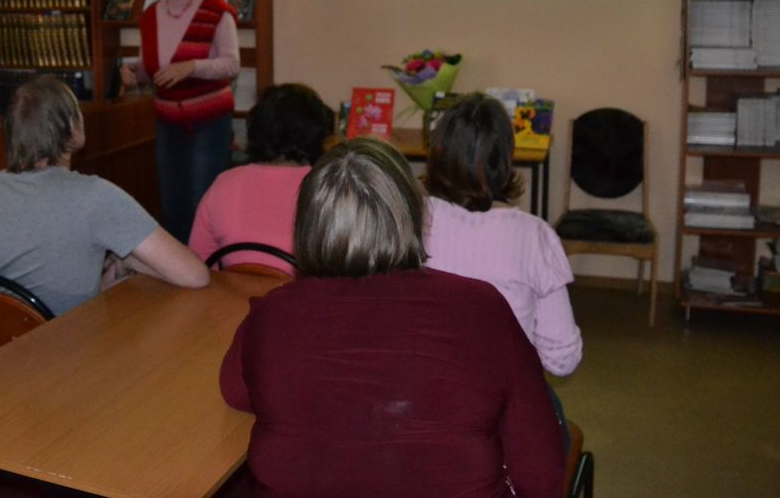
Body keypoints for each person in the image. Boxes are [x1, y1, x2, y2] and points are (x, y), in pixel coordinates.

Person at [220, 138, 564, 497]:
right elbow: (541, 475)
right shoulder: (482, 307)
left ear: (307, 225)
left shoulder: (272, 313)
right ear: (411, 217)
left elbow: (235, 391)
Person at [0, 75, 209, 315]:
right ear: (71, 127)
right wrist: (129, 257)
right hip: (64, 338)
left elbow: (41, 277)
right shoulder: (94, 196)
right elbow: (195, 275)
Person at [424, 92, 583, 377]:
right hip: (500, 394)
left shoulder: (408, 219)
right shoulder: (535, 236)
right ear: (506, 159)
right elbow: (563, 361)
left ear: (438, 153)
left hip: (424, 390)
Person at [120, 0, 240, 243]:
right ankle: (178, 264)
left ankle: (208, 262)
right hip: (167, 122)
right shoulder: (150, 15)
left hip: (209, 122)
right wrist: (133, 72)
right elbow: (152, 67)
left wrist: (191, 67)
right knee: (172, 201)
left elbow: (231, 64)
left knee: (203, 200)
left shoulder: (216, 10)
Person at [188, 83, 333, 274]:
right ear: (317, 133)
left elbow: (200, 260)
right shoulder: (326, 187)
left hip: (235, 291)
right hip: (300, 292)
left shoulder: (224, 182)